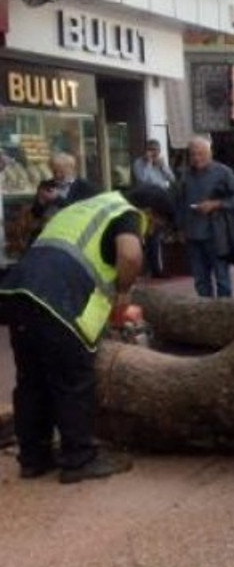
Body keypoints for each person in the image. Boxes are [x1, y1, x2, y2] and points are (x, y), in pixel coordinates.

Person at [0, 184, 175, 483]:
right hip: (58, 300)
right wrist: (123, 291)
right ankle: (78, 458)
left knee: (32, 381)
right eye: (156, 225)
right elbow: (130, 256)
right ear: (149, 213)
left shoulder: (83, 207)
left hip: (17, 292)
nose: (151, 232)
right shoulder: (126, 213)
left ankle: (33, 458)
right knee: (74, 380)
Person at [177, 136, 234, 298]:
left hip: (217, 235)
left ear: (210, 153)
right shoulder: (185, 175)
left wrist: (215, 204)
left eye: (201, 154)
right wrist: (179, 228)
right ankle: (204, 312)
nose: (197, 158)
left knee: (222, 279)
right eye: (193, 154)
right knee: (200, 280)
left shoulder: (224, 173)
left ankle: (226, 313)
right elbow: (179, 202)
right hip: (193, 235)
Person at [132, 139, 176, 277]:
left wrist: (163, 167)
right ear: (146, 150)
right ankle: (148, 267)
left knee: (157, 235)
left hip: (161, 199)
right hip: (146, 201)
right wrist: (149, 163)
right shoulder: (139, 163)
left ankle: (157, 268)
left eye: (156, 150)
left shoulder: (161, 163)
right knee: (147, 235)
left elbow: (172, 179)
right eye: (151, 150)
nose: (153, 153)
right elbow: (143, 180)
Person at [32, 152, 99, 231]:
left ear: (72, 170)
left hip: (72, 231)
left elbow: (81, 212)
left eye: (61, 172)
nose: (57, 175)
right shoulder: (46, 185)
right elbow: (36, 214)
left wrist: (57, 199)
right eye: (54, 172)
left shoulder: (85, 187)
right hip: (48, 230)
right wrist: (41, 201)